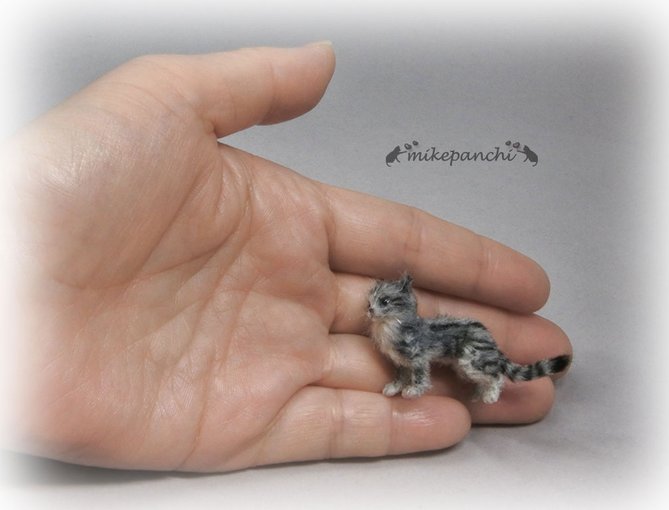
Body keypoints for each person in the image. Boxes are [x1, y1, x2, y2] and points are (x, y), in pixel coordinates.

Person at [0, 42, 571, 471]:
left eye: (383, 303)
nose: (372, 309)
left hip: (451, 346)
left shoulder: (407, 330)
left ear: (402, 305)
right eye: (375, 301)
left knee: (465, 365)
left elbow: (415, 355)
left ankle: (498, 381)